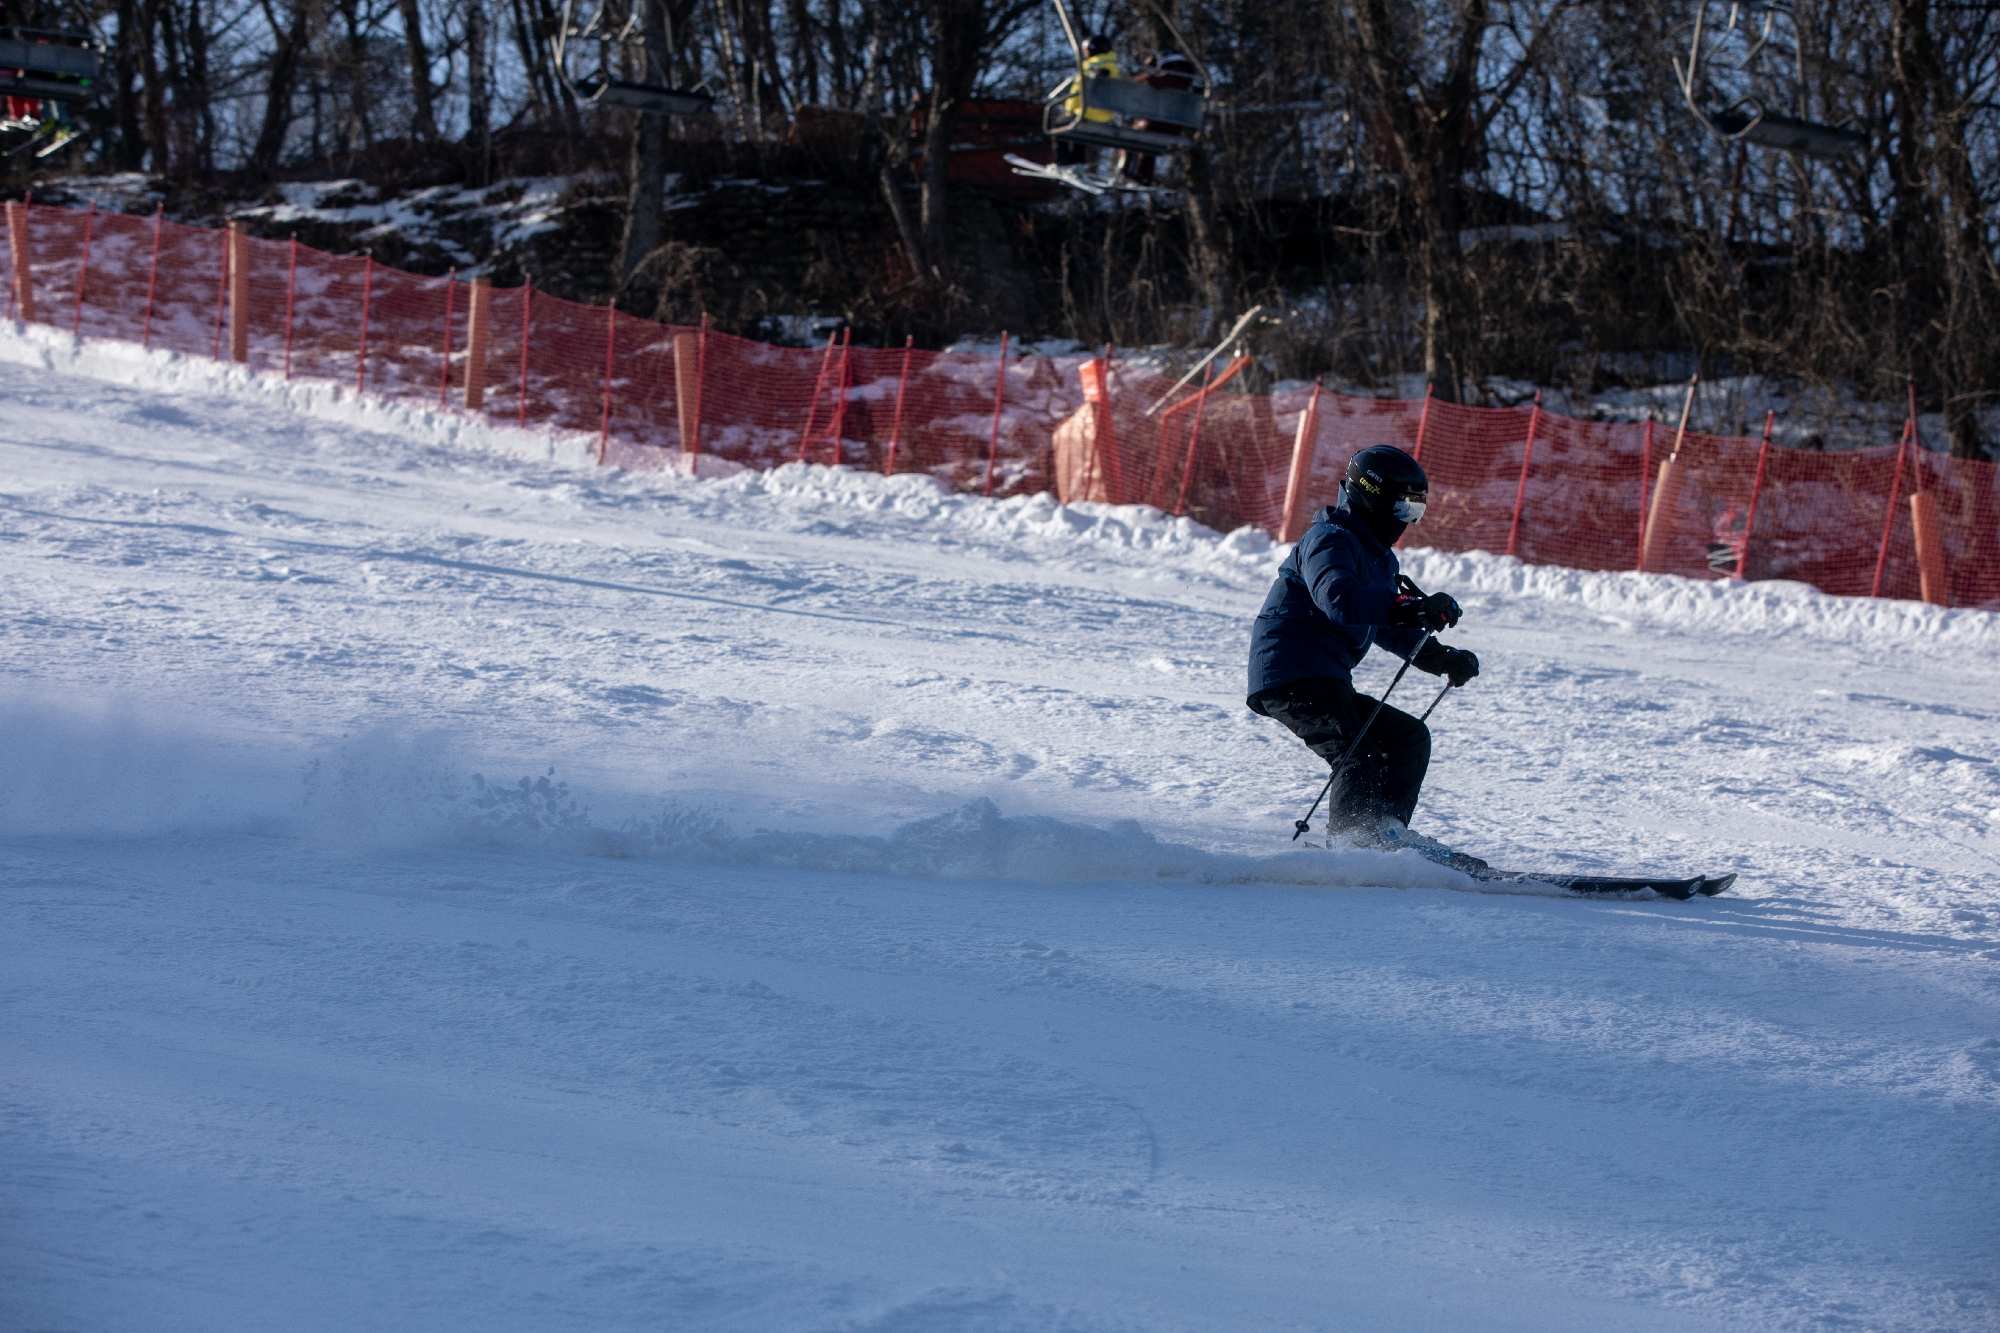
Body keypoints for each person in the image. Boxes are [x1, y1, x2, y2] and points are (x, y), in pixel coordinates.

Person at [1245, 445, 1481, 863]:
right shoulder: (1329, 540)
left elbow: (1383, 623)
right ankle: (1353, 842)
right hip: (1289, 673)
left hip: (1325, 678)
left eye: (1417, 510)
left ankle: (1386, 830)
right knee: (1357, 752)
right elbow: (1339, 598)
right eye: (1403, 508)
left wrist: (1439, 657)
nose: (1408, 520)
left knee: (1408, 738)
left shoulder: (1379, 558)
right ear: (1372, 497)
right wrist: (1410, 608)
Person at [1117, 48, 1198, 185]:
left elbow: (1155, 81)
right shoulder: (1185, 77)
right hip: (1169, 125)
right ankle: (1143, 177)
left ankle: (1128, 174)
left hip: (1162, 124)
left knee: (1131, 135)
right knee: (1147, 144)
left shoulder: (1177, 75)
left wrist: (1145, 76)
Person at [1054, 34, 1119, 165]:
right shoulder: (1110, 65)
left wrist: (1070, 106)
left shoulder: (1097, 66)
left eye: (1087, 50)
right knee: (1079, 133)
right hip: (1103, 115)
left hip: (1089, 112)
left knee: (1059, 125)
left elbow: (1095, 84)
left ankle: (1063, 163)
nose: (1085, 53)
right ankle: (1077, 164)